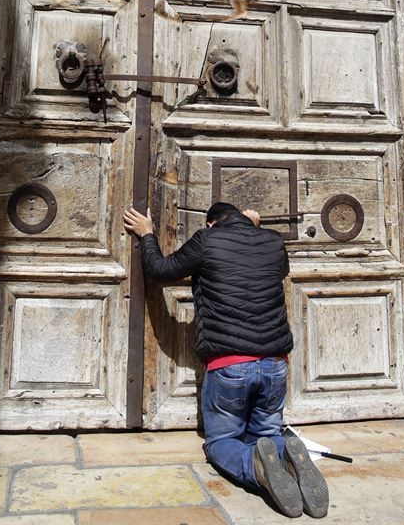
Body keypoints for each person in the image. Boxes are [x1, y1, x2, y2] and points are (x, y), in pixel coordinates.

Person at [123, 200, 329, 519]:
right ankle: (287, 455)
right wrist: (255, 231)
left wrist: (147, 234)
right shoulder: (273, 242)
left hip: (230, 366)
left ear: (210, 224)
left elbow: (160, 271)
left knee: (220, 442)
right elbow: (277, 269)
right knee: (267, 433)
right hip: (275, 363)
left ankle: (256, 468)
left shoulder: (207, 240)